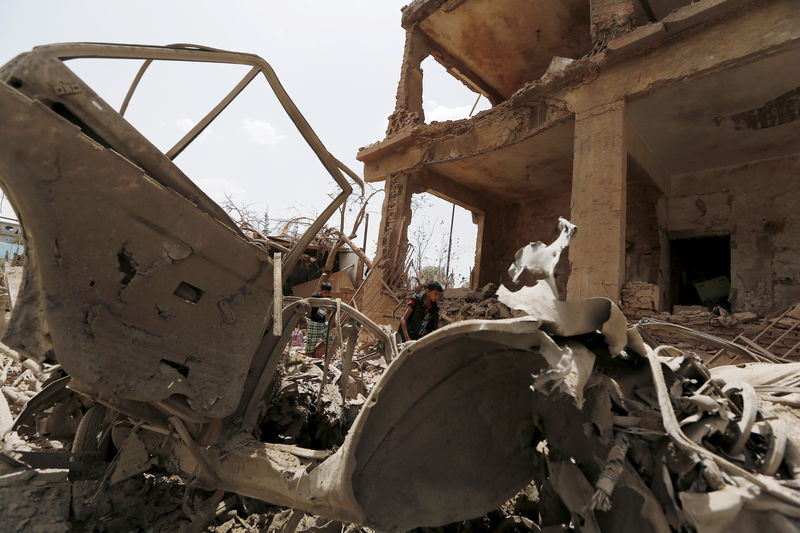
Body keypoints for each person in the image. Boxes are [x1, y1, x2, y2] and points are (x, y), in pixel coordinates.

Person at [305, 282, 334, 356]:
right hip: (314, 323)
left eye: (328, 293)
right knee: (311, 343)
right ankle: (309, 357)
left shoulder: (328, 298)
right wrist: (327, 305)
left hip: (323, 323)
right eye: (325, 292)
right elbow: (319, 314)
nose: (326, 294)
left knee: (330, 339)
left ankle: (315, 353)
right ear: (320, 291)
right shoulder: (315, 297)